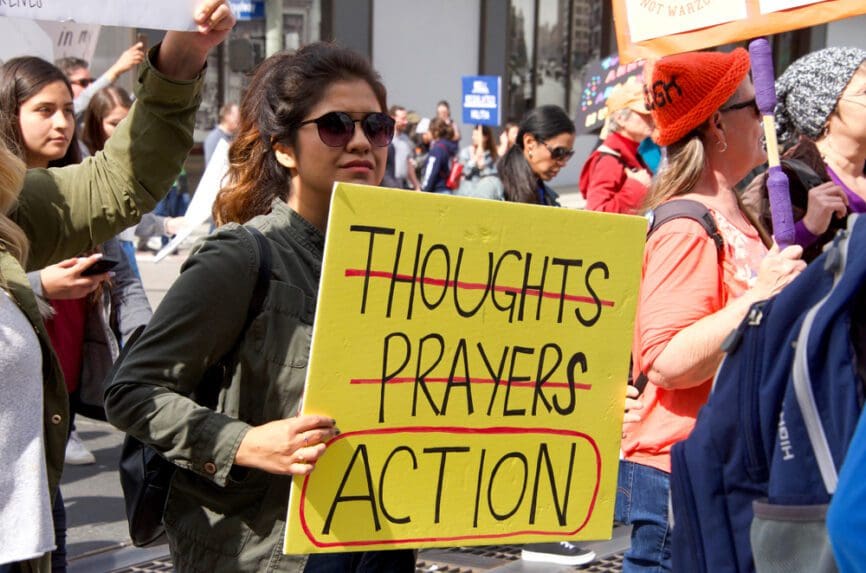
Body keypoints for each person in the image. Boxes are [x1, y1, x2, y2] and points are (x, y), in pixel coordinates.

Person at [103, 42, 416, 572]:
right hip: (267, 553)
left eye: (377, 126)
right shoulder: (243, 256)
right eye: (337, 125)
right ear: (285, 149)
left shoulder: (406, 261)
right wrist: (242, 442)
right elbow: (131, 392)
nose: (363, 142)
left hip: (380, 543)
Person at [0, 2, 235, 571]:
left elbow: (120, 181)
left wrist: (181, 57)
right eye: (43, 110)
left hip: (25, 538)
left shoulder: (13, 205)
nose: (60, 123)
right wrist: (36, 287)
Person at [618, 48, 806, 572]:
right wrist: (756, 297)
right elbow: (667, 361)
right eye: (757, 108)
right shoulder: (685, 226)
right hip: (678, 473)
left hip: (724, 463)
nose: (768, 123)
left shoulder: (737, 211)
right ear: (718, 122)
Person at [743, 47, 866, 263]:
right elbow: (754, 265)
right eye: (864, 92)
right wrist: (808, 227)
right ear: (825, 113)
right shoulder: (785, 183)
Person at [80, 85, 186, 271]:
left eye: (127, 122)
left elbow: (129, 215)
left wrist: (166, 224)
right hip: (98, 255)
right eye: (114, 123)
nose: (121, 129)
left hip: (125, 249)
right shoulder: (83, 162)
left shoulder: (130, 158)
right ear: (96, 123)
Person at [579, 77, 654, 214]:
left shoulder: (629, 153)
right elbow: (595, 214)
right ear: (620, 118)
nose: (651, 118)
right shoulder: (610, 160)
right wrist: (636, 187)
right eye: (643, 113)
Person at [498, 105, 575, 206]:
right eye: (558, 152)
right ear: (530, 143)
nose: (563, 163)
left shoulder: (548, 198)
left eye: (568, 154)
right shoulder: (493, 191)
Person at [55, 40, 146, 117]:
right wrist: (116, 69)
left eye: (92, 81)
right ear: (64, 85)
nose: (91, 86)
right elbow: (82, 101)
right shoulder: (63, 114)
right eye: (83, 82)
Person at [455, 124, 503, 200]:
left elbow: (494, 177)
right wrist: (473, 161)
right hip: (465, 194)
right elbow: (464, 172)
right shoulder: (466, 152)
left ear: (486, 137)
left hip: (483, 195)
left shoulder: (492, 155)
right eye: (473, 135)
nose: (473, 138)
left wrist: (483, 168)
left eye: (477, 135)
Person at [421, 117, 458, 193]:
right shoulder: (448, 146)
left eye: (429, 130)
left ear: (436, 132)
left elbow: (431, 172)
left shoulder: (437, 149)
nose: (427, 132)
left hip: (437, 190)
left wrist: (424, 190)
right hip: (447, 189)